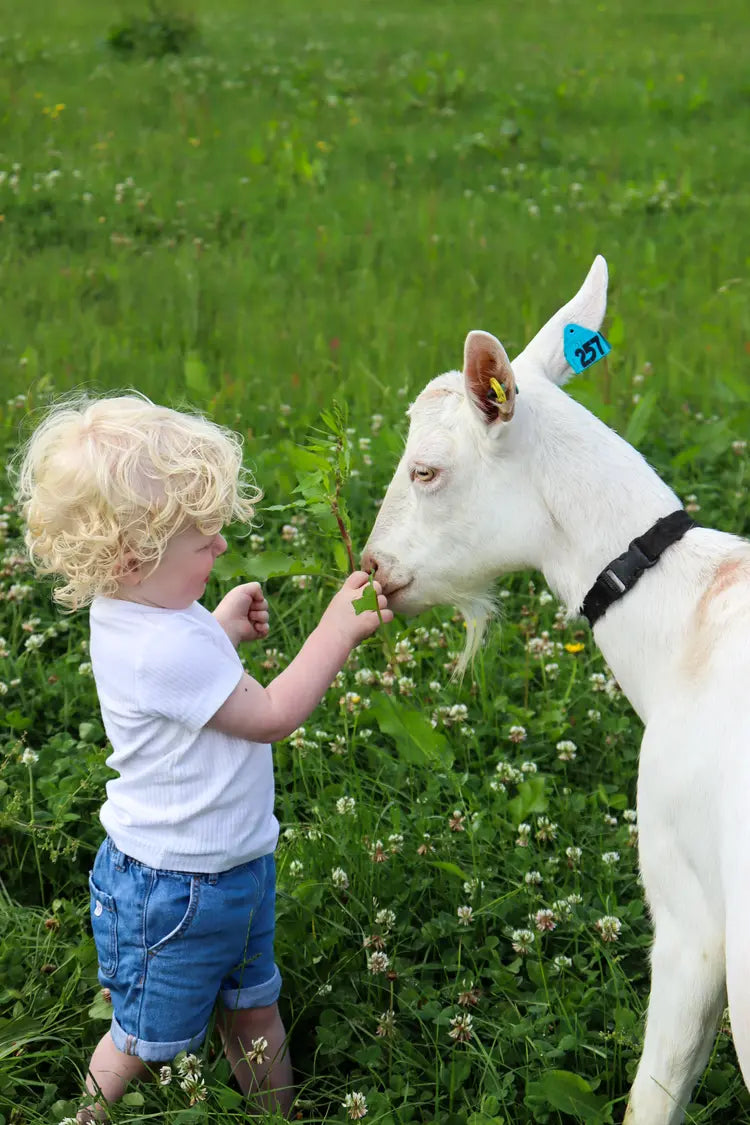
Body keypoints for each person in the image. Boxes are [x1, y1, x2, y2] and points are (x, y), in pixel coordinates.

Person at [15, 393, 392, 1121]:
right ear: (133, 556)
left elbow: (182, 681)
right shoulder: (164, 646)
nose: (220, 547)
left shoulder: (144, 610)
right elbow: (274, 715)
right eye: (203, 540)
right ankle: (87, 1114)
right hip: (172, 893)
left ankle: (279, 1115)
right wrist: (336, 633)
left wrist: (217, 628)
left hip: (232, 870)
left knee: (255, 1010)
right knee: (141, 1040)